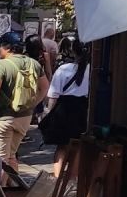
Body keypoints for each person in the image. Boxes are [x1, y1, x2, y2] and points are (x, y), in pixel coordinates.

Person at [0, 31, 45, 185]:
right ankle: (11, 191)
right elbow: (44, 87)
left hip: (2, 119)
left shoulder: (1, 65)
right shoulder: (34, 64)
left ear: (7, 48)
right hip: (24, 118)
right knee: (11, 156)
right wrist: (32, 104)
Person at [39, 36, 91, 176]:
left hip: (64, 110)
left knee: (61, 146)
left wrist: (49, 112)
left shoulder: (64, 69)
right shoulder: (92, 70)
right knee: (78, 146)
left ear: (73, 51)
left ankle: (57, 178)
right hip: (82, 110)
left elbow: (54, 95)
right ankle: (72, 179)